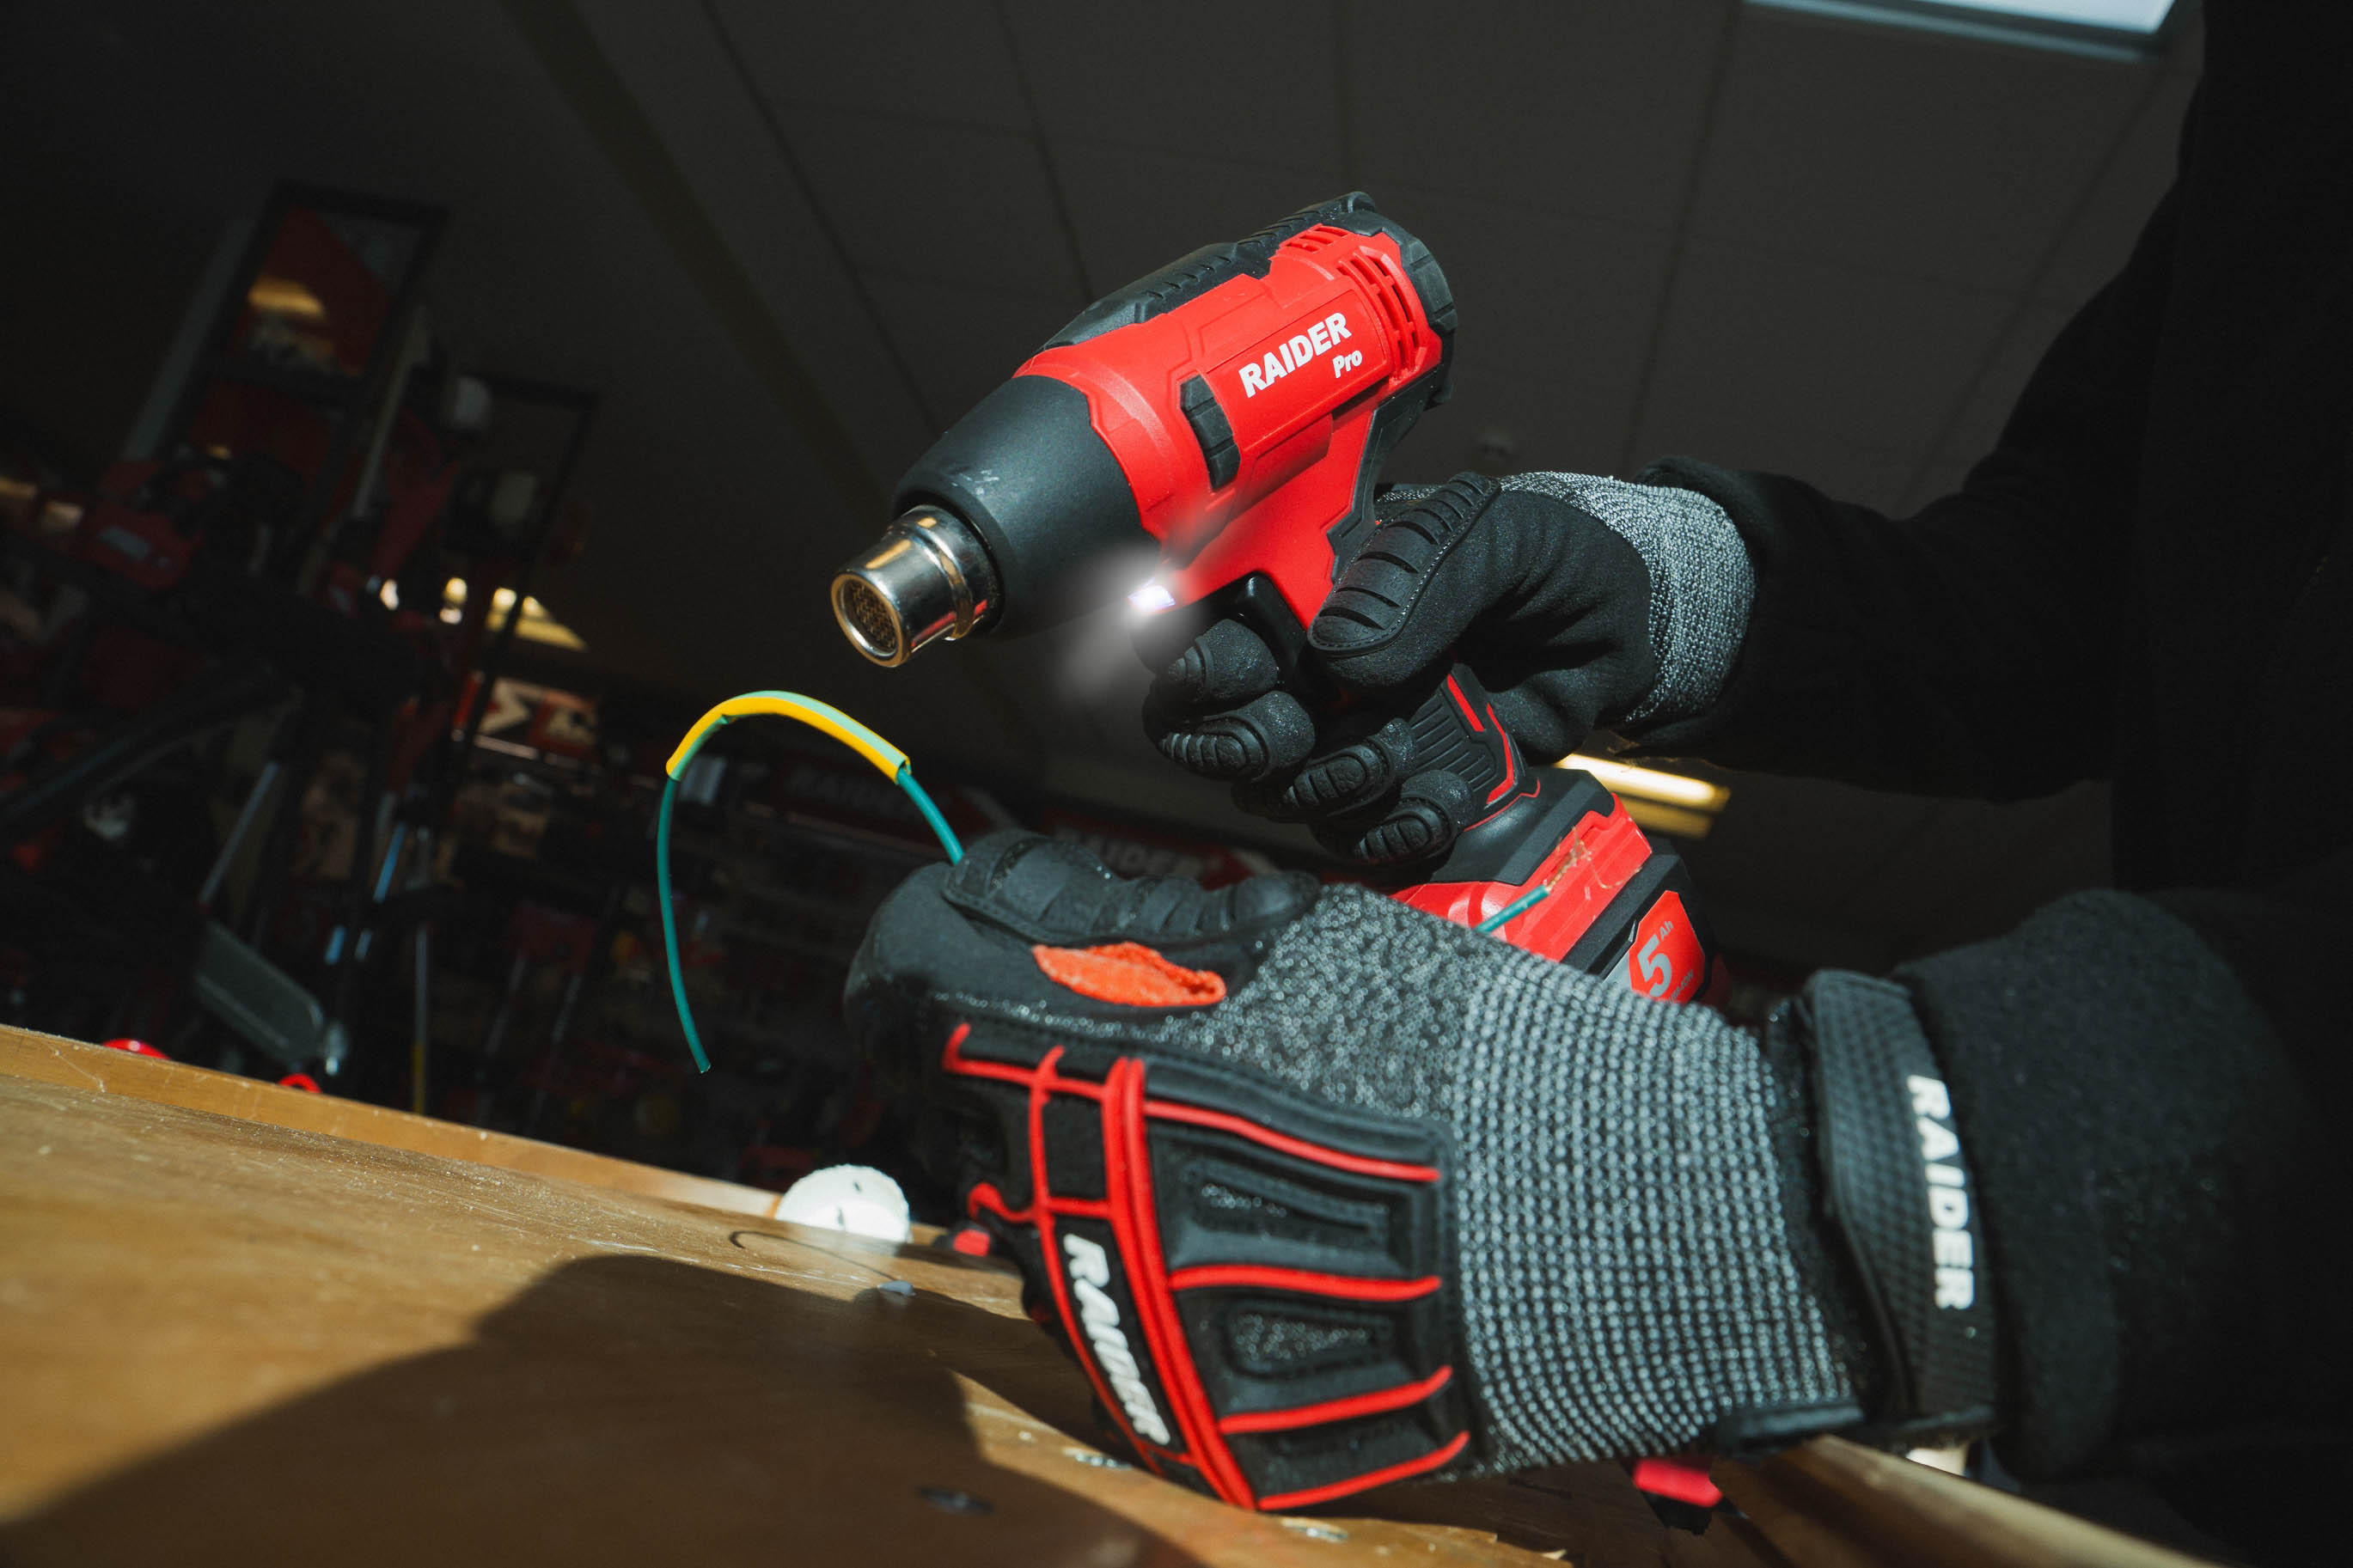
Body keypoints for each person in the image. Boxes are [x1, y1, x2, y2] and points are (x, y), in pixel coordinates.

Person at [846, 5, 2350, 1553]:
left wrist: (1767, 1195)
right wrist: (1671, 590)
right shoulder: (2283, 65)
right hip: (2167, 1424)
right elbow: (2085, 581)